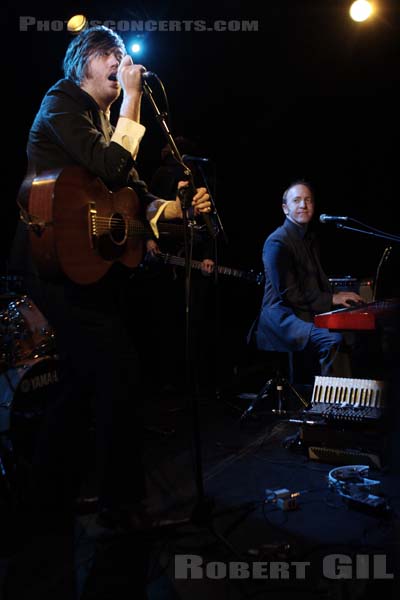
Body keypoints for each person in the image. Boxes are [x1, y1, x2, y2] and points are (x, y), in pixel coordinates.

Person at [8, 25, 211, 535]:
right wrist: (135, 99)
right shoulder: (61, 103)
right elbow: (113, 164)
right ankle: (121, 505)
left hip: (82, 265)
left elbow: (134, 190)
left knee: (78, 385)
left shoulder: (101, 114)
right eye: (113, 58)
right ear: (86, 61)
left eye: (124, 61)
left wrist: (173, 209)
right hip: (49, 264)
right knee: (118, 371)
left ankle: (45, 503)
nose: (121, 70)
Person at [255, 180, 363, 379]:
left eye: (308, 200)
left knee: (354, 332)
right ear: (285, 208)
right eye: (297, 200)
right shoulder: (277, 241)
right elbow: (290, 294)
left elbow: (316, 282)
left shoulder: (309, 238)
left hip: (305, 311)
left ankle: (351, 399)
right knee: (332, 339)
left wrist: (337, 295)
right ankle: (329, 404)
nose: (303, 205)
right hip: (283, 317)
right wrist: (332, 299)